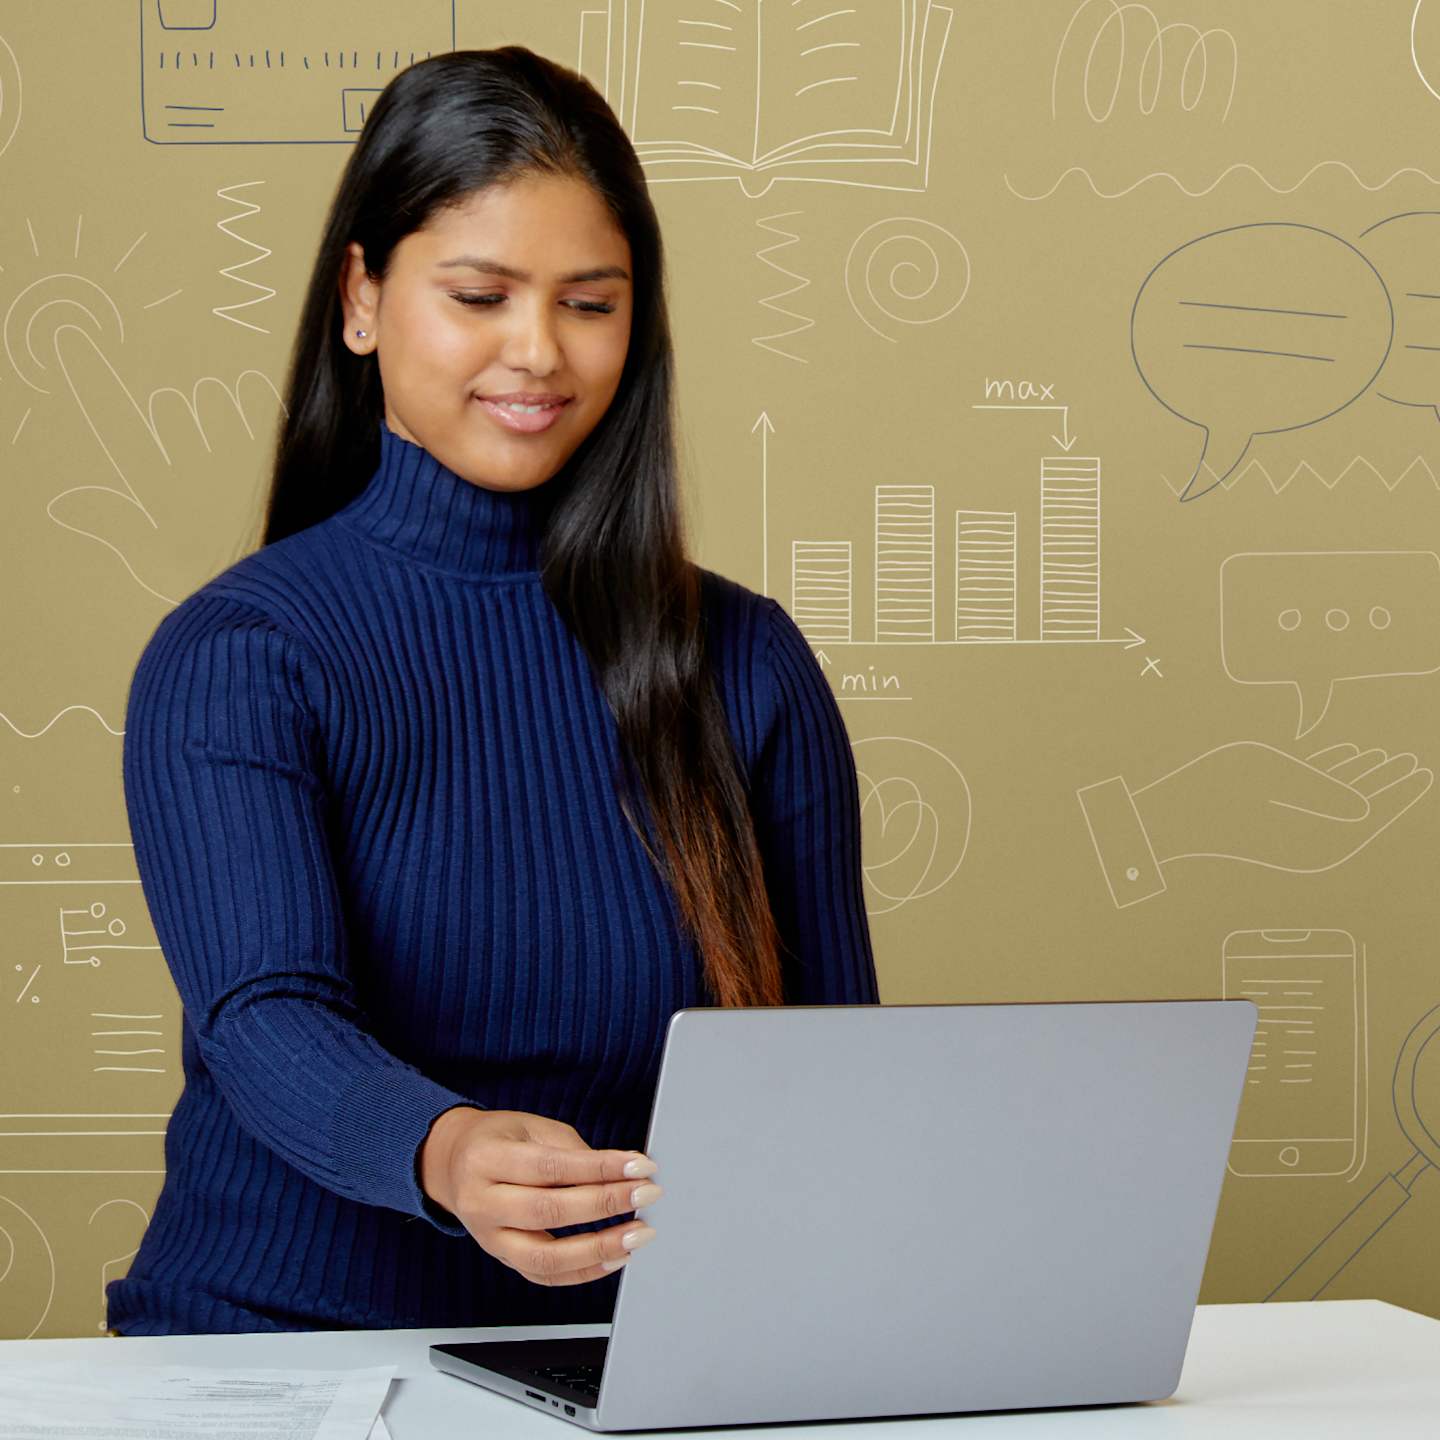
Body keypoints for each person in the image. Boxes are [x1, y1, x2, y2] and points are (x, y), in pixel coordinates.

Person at [106, 45, 879, 1337]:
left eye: (591, 302)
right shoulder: (241, 654)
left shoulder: (746, 663)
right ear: (362, 298)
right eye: (480, 295)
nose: (538, 353)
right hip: (283, 1349)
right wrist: (446, 1153)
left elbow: (838, 1077)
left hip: (641, 1362)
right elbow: (264, 1018)